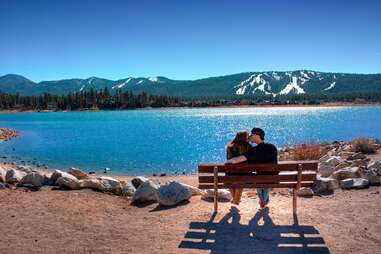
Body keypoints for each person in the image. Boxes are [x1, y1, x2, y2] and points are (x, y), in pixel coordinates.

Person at [226, 127, 278, 209]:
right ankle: (264, 201)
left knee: (259, 183)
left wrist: (228, 162)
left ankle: (263, 201)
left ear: (257, 136)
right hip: (274, 178)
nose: (249, 136)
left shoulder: (254, 150)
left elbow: (237, 160)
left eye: (251, 135)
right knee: (265, 183)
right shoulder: (272, 147)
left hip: (259, 178)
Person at [226, 131, 252, 205]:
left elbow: (228, 160)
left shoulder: (229, 147)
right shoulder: (248, 146)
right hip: (245, 173)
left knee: (230, 178)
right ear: (245, 137)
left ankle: (235, 199)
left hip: (231, 173)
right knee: (240, 180)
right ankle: (236, 200)